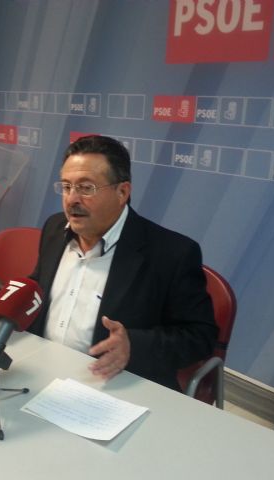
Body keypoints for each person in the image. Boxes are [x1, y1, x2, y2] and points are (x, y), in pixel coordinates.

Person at [28, 135, 218, 390]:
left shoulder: (172, 253)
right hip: (42, 369)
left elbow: (200, 337)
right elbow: (37, 288)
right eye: (66, 186)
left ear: (122, 192)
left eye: (86, 188)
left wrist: (134, 346)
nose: (71, 199)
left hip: (116, 382)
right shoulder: (54, 228)